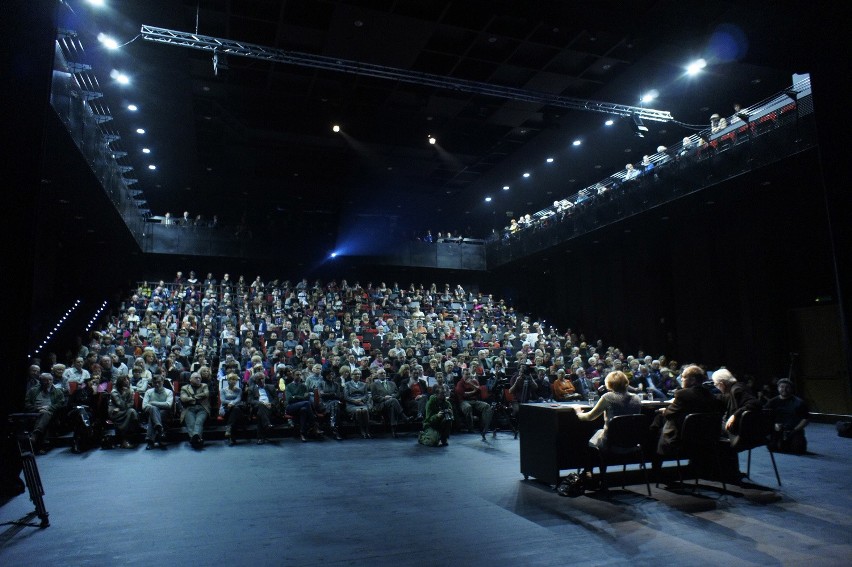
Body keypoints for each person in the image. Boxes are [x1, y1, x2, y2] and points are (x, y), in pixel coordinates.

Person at [655, 365, 723, 457]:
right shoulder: (711, 396)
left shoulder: (682, 394)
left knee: (657, 425)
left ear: (693, 380)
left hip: (682, 439)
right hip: (706, 439)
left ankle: (655, 465)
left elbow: (669, 414)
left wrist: (664, 411)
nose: (681, 379)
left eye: (683, 377)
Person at [573, 371, 641, 450]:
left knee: (593, 435)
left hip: (612, 442)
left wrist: (578, 413)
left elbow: (589, 417)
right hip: (632, 441)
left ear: (609, 383)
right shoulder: (637, 398)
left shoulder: (608, 397)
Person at [765, 378, 810, 453]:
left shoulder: (799, 402)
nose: (784, 389)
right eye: (782, 387)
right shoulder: (772, 402)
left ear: (791, 389)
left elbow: (806, 419)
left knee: (797, 449)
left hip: (793, 430)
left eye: (787, 387)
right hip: (777, 430)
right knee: (772, 447)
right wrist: (773, 425)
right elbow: (765, 416)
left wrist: (794, 430)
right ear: (778, 388)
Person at [24, 372, 66, 454]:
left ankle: (35, 435)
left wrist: (49, 407)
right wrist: (37, 409)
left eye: (50, 380)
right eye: (45, 380)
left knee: (46, 414)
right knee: (44, 419)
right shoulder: (33, 391)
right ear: (41, 381)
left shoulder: (58, 391)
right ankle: (43, 445)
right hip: (35, 412)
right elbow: (26, 403)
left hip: (51, 413)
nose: (48, 382)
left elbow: (61, 404)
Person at [454, 369, 493, 441]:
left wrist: (471, 384)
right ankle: (470, 428)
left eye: (469, 374)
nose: (468, 376)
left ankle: (484, 427)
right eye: (466, 374)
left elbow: (479, 390)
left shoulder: (474, 381)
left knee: (487, 406)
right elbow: (463, 394)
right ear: (463, 375)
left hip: (474, 401)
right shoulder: (460, 383)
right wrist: (473, 391)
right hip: (464, 401)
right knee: (468, 407)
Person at [370, 368, 407, 438]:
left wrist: (392, 396)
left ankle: (393, 430)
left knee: (392, 405)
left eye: (384, 373)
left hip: (392, 403)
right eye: (381, 373)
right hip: (380, 404)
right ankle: (404, 417)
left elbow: (397, 393)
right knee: (393, 401)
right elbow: (374, 397)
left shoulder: (392, 383)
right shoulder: (374, 384)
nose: (383, 374)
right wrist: (384, 398)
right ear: (377, 375)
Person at [285, 370, 319, 442]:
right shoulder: (288, 386)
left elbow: (306, 397)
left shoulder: (303, 386)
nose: (299, 376)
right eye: (297, 375)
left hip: (302, 406)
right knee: (306, 403)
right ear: (293, 376)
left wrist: (296, 397)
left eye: (300, 375)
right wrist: (301, 398)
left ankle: (302, 433)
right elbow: (289, 399)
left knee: (303, 410)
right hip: (291, 407)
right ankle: (314, 424)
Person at [68, 374, 98, 453]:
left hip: (89, 413)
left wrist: (95, 394)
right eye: (93, 382)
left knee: (81, 417)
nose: (94, 384)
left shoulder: (98, 394)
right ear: (87, 382)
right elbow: (70, 404)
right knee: (81, 411)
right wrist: (80, 407)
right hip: (75, 411)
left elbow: (97, 408)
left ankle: (76, 442)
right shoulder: (78, 391)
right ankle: (88, 429)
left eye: (96, 383)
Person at [180, 372, 211, 449]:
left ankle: (193, 439)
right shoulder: (184, 388)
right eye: (196, 378)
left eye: (199, 378)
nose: (198, 379)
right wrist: (198, 398)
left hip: (202, 408)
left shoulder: (204, 385)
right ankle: (198, 439)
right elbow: (183, 398)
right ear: (190, 379)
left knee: (199, 422)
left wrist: (192, 397)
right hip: (189, 408)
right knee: (191, 423)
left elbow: (206, 394)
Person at [247, 371, 278, 444]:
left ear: (265, 378)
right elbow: (250, 400)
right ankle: (267, 424)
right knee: (261, 406)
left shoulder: (271, 387)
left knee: (260, 415)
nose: (261, 380)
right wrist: (262, 403)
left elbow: (276, 399)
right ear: (255, 380)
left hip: (270, 407)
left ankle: (260, 437)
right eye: (259, 379)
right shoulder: (252, 388)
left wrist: (271, 404)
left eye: (262, 378)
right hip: (257, 407)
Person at [142, 376, 173, 450]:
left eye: (159, 382)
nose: (157, 384)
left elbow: (168, 405)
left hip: (165, 413)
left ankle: (150, 441)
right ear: (152, 383)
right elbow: (144, 406)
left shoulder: (168, 392)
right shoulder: (149, 392)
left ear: (163, 382)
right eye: (155, 383)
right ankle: (160, 432)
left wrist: (153, 403)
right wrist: (157, 407)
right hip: (150, 413)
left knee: (153, 412)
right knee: (153, 410)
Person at [109, 375, 139, 449]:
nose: (127, 381)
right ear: (120, 383)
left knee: (132, 412)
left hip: (123, 410)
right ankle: (124, 440)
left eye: (127, 379)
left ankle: (128, 439)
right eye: (124, 380)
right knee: (131, 412)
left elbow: (131, 403)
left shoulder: (130, 390)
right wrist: (124, 394)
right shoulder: (114, 392)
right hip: (114, 412)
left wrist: (124, 407)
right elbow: (121, 404)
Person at [344, 368, 372, 439]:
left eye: (359, 374)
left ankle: (367, 430)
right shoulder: (347, 384)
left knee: (365, 410)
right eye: (355, 374)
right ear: (351, 375)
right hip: (351, 404)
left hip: (362, 402)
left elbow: (366, 395)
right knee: (359, 411)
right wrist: (354, 401)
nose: (357, 375)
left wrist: (360, 400)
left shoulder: (364, 384)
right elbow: (346, 396)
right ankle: (361, 430)